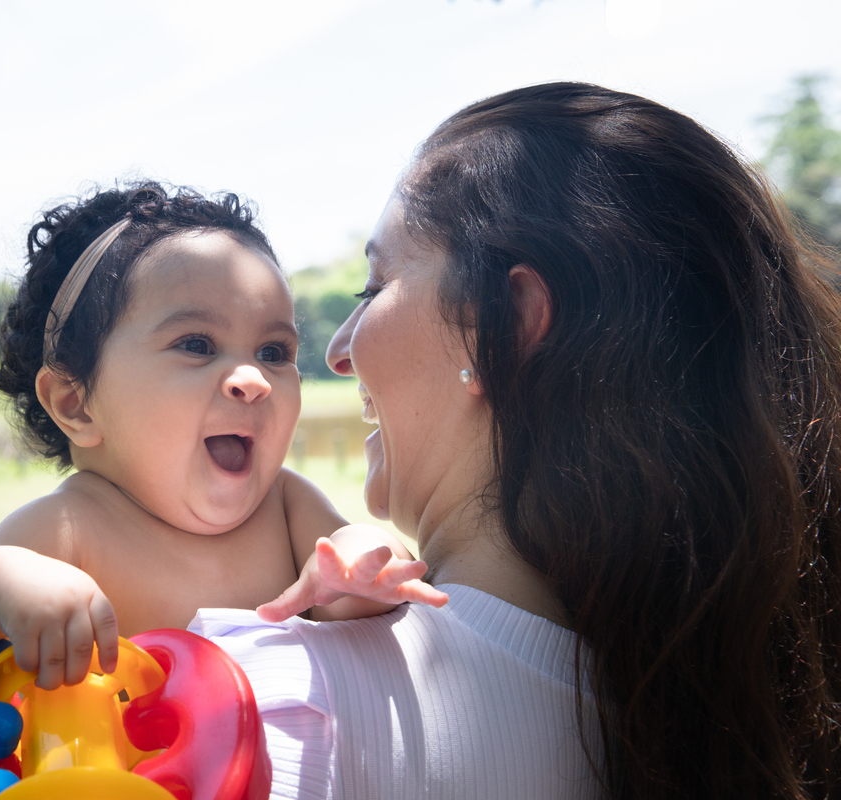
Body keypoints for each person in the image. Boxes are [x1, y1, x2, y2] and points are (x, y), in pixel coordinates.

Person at [191, 82, 841, 800]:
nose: (339, 352)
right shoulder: (721, 727)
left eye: (373, 289)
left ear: (505, 323)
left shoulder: (264, 710)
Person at [0, 183, 448, 689]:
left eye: (274, 353)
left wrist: (360, 567)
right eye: (198, 345)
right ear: (76, 402)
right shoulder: (68, 530)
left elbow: (354, 577)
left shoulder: (284, 506)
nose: (253, 379)